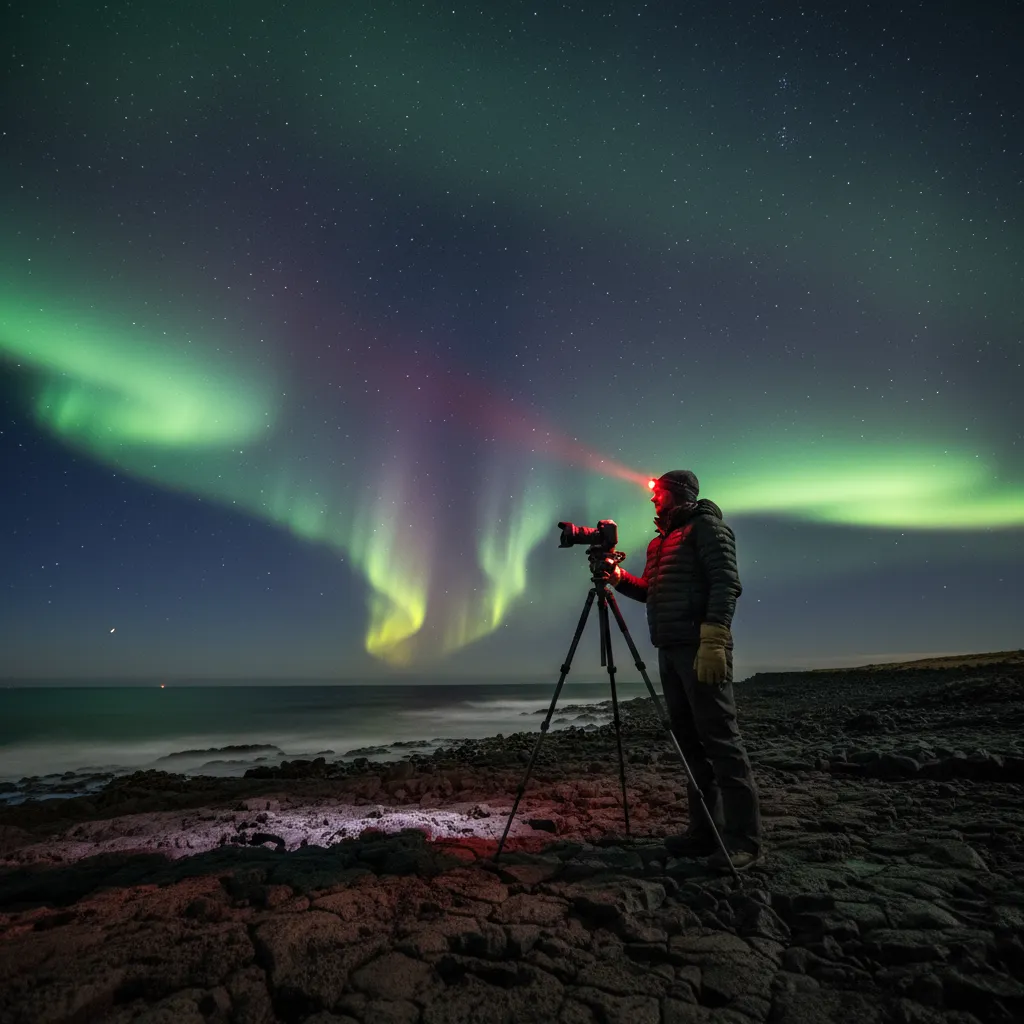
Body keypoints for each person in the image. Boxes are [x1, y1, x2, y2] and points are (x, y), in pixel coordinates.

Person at [594, 469, 763, 872]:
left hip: (701, 647)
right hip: (669, 649)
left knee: (721, 740)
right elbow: (650, 592)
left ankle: (746, 842)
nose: (653, 498)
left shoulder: (707, 528)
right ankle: (705, 833)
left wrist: (714, 637)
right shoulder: (660, 543)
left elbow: (726, 582)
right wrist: (618, 578)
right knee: (689, 743)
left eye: (660, 492)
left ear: (679, 493)